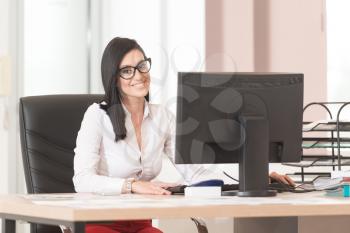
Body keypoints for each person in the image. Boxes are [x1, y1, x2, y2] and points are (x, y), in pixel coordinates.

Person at [73, 37, 295, 233]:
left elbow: (196, 170)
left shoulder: (162, 117)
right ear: (114, 77)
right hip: (98, 222)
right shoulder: (96, 116)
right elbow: (82, 180)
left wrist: (253, 175)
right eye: (127, 70)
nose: (139, 75)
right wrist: (131, 185)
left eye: (142, 66)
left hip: (140, 224)